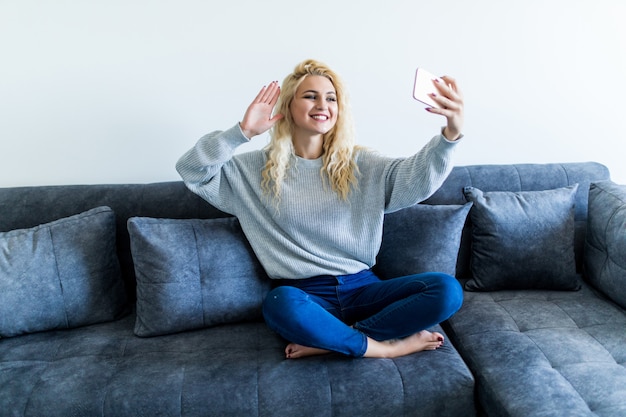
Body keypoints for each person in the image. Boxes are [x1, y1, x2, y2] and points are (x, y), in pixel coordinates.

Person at [176, 59, 465, 359]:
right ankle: (384, 349)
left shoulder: (363, 165)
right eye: (310, 96)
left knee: (447, 290)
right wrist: (242, 131)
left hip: (364, 288)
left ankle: (332, 341)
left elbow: (417, 178)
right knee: (279, 302)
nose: (322, 104)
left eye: (331, 98)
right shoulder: (249, 172)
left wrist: (450, 136)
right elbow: (191, 170)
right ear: (288, 106)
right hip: (306, 296)